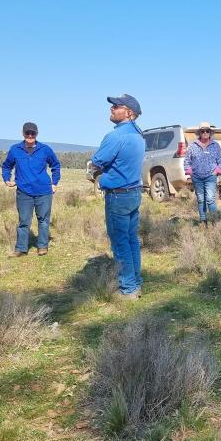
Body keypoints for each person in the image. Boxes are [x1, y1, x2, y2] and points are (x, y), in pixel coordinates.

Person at [89, 95, 145, 299]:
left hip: (118, 196)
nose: (111, 109)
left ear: (129, 112)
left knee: (120, 243)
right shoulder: (138, 135)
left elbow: (96, 161)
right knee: (131, 240)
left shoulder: (115, 137)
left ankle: (128, 288)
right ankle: (136, 281)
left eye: (116, 106)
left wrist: (100, 172)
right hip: (133, 193)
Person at [2, 122, 61, 257]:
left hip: (44, 191)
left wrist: (55, 182)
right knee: (24, 221)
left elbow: (56, 165)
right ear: (23, 134)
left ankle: (42, 246)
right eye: (27, 133)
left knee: (43, 220)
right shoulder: (15, 149)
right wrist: (6, 179)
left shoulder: (45, 149)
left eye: (32, 133)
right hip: (23, 191)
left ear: (36, 134)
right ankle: (21, 249)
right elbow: (6, 166)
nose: (30, 135)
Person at [184, 121, 221, 226]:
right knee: (201, 199)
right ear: (199, 133)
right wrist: (190, 173)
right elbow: (187, 161)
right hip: (197, 177)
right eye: (203, 131)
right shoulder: (193, 146)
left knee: (210, 198)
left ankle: (215, 222)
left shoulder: (216, 145)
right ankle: (203, 222)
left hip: (211, 176)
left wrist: (216, 172)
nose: (205, 133)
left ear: (210, 133)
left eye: (207, 131)